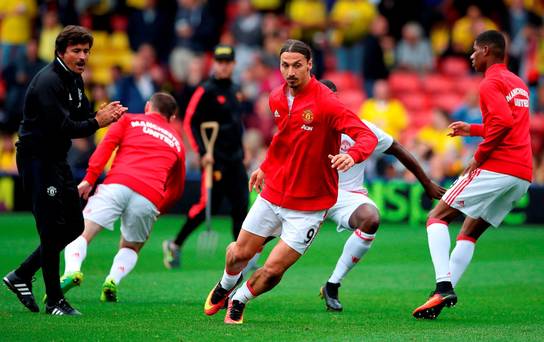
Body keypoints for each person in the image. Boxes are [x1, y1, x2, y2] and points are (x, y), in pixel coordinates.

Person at [204, 39, 379, 325]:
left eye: (297, 65)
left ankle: (239, 300)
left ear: (310, 65)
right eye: (285, 65)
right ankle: (225, 285)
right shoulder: (276, 97)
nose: (290, 71)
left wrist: (354, 156)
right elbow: (282, 141)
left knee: (273, 270)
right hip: (274, 193)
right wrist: (266, 166)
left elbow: (366, 136)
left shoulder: (327, 103)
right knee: (238, 254)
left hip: (310, 206)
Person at [2, 25, 126, 316]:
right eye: (76, 51)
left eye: (86, 51)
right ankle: (55, 300)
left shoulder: (74, 79)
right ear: (60, 51)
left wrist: (99, 113)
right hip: (37, 160)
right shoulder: (48, 81)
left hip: (57, 160)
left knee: (75, 226)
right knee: (50, 229)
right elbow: (67, 127)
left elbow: (81, 115)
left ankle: (21, 276)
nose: (83, 56)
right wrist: (100, 121)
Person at [412, 30, 532, 320]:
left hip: (498, 165)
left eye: (475, 50)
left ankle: (442, 286)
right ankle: (443, 292)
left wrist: (478, 157)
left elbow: (502, 122)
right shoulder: (517, 83)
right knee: (469, 232)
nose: (471, 55)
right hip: (522, 174)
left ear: (488, 51)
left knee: (437, 217)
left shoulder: (490, 82)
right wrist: (474, 128)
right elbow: (511, 123)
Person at [318, 79, 446, 311]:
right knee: (263, 235)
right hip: (311, 192)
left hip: (348, 196)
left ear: (337, 99)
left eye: (332, 96)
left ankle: (332, 285)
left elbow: (397, 148)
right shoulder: (306, 127)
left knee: (371, 218)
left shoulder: (359, 128)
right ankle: (232, 282)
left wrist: (426, 182)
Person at [60, 92, 185, 303]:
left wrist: (89, 179)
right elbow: (176, 189)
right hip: (149, 195)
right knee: (131, 247)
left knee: (80, 233)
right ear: (172, 118)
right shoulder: (177, 142)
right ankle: (112, 280)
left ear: (147, 107)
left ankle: (72, 270)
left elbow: (105, 147)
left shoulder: (129, 120)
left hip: (117, 183)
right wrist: (159, 209)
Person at [162, 45, 248, 269]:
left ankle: (240, 255)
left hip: (235, 159)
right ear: (214, 64)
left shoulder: (236, 90)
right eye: (219, 61)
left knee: (241, 207)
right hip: (214, 160)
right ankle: (175, 244)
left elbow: (237, 125)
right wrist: (201, 153)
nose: (223, 65)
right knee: (206, 207)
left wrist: (243, 151)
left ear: (233, 64)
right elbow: (190, 121)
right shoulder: (205, 90)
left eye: (227, 62)